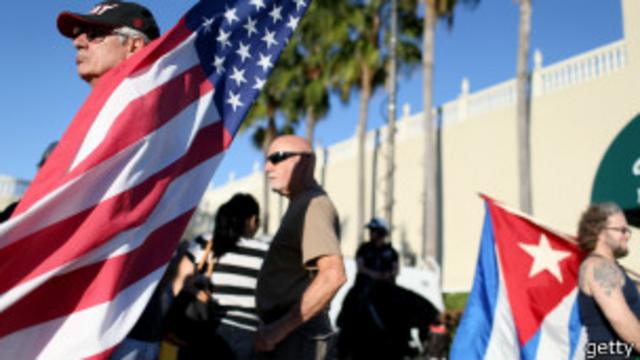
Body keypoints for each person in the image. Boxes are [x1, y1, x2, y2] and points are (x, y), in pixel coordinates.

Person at [254, 135, 347, 359]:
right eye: (267, 160)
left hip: (297, 338)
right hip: (291, 336)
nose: (267, 168)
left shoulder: (313, 205)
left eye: (277, 158)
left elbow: (333, 275)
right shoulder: (302, 203)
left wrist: (280, 329)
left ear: (305, 162)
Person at [209, 193, 270, 360]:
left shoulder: (208, 244)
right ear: (252, 220)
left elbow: (179, 282)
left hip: (208, 330)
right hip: (250, 338)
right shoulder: (265, 252)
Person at [577, 203, 640, 358]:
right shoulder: (599, 267)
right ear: (599, 232)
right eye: (621, 230)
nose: (627, 235)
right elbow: (620, 319)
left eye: (628, 230)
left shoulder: (613, 269)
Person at [57, 0, 160, 87]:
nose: (77, 43)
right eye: (78, 35)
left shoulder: (155, 107)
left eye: (94, 34)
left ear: (134, 46)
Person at [355, 217, 399, 285]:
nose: (370, 233)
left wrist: (387, 274)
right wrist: (373, 274)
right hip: (365, 288)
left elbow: (396, 270)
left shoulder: (391, 252)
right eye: (370, 231)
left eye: (373, 231)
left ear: (382, 232)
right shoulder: (364, 248)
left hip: (386, 289)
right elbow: (360, 267)